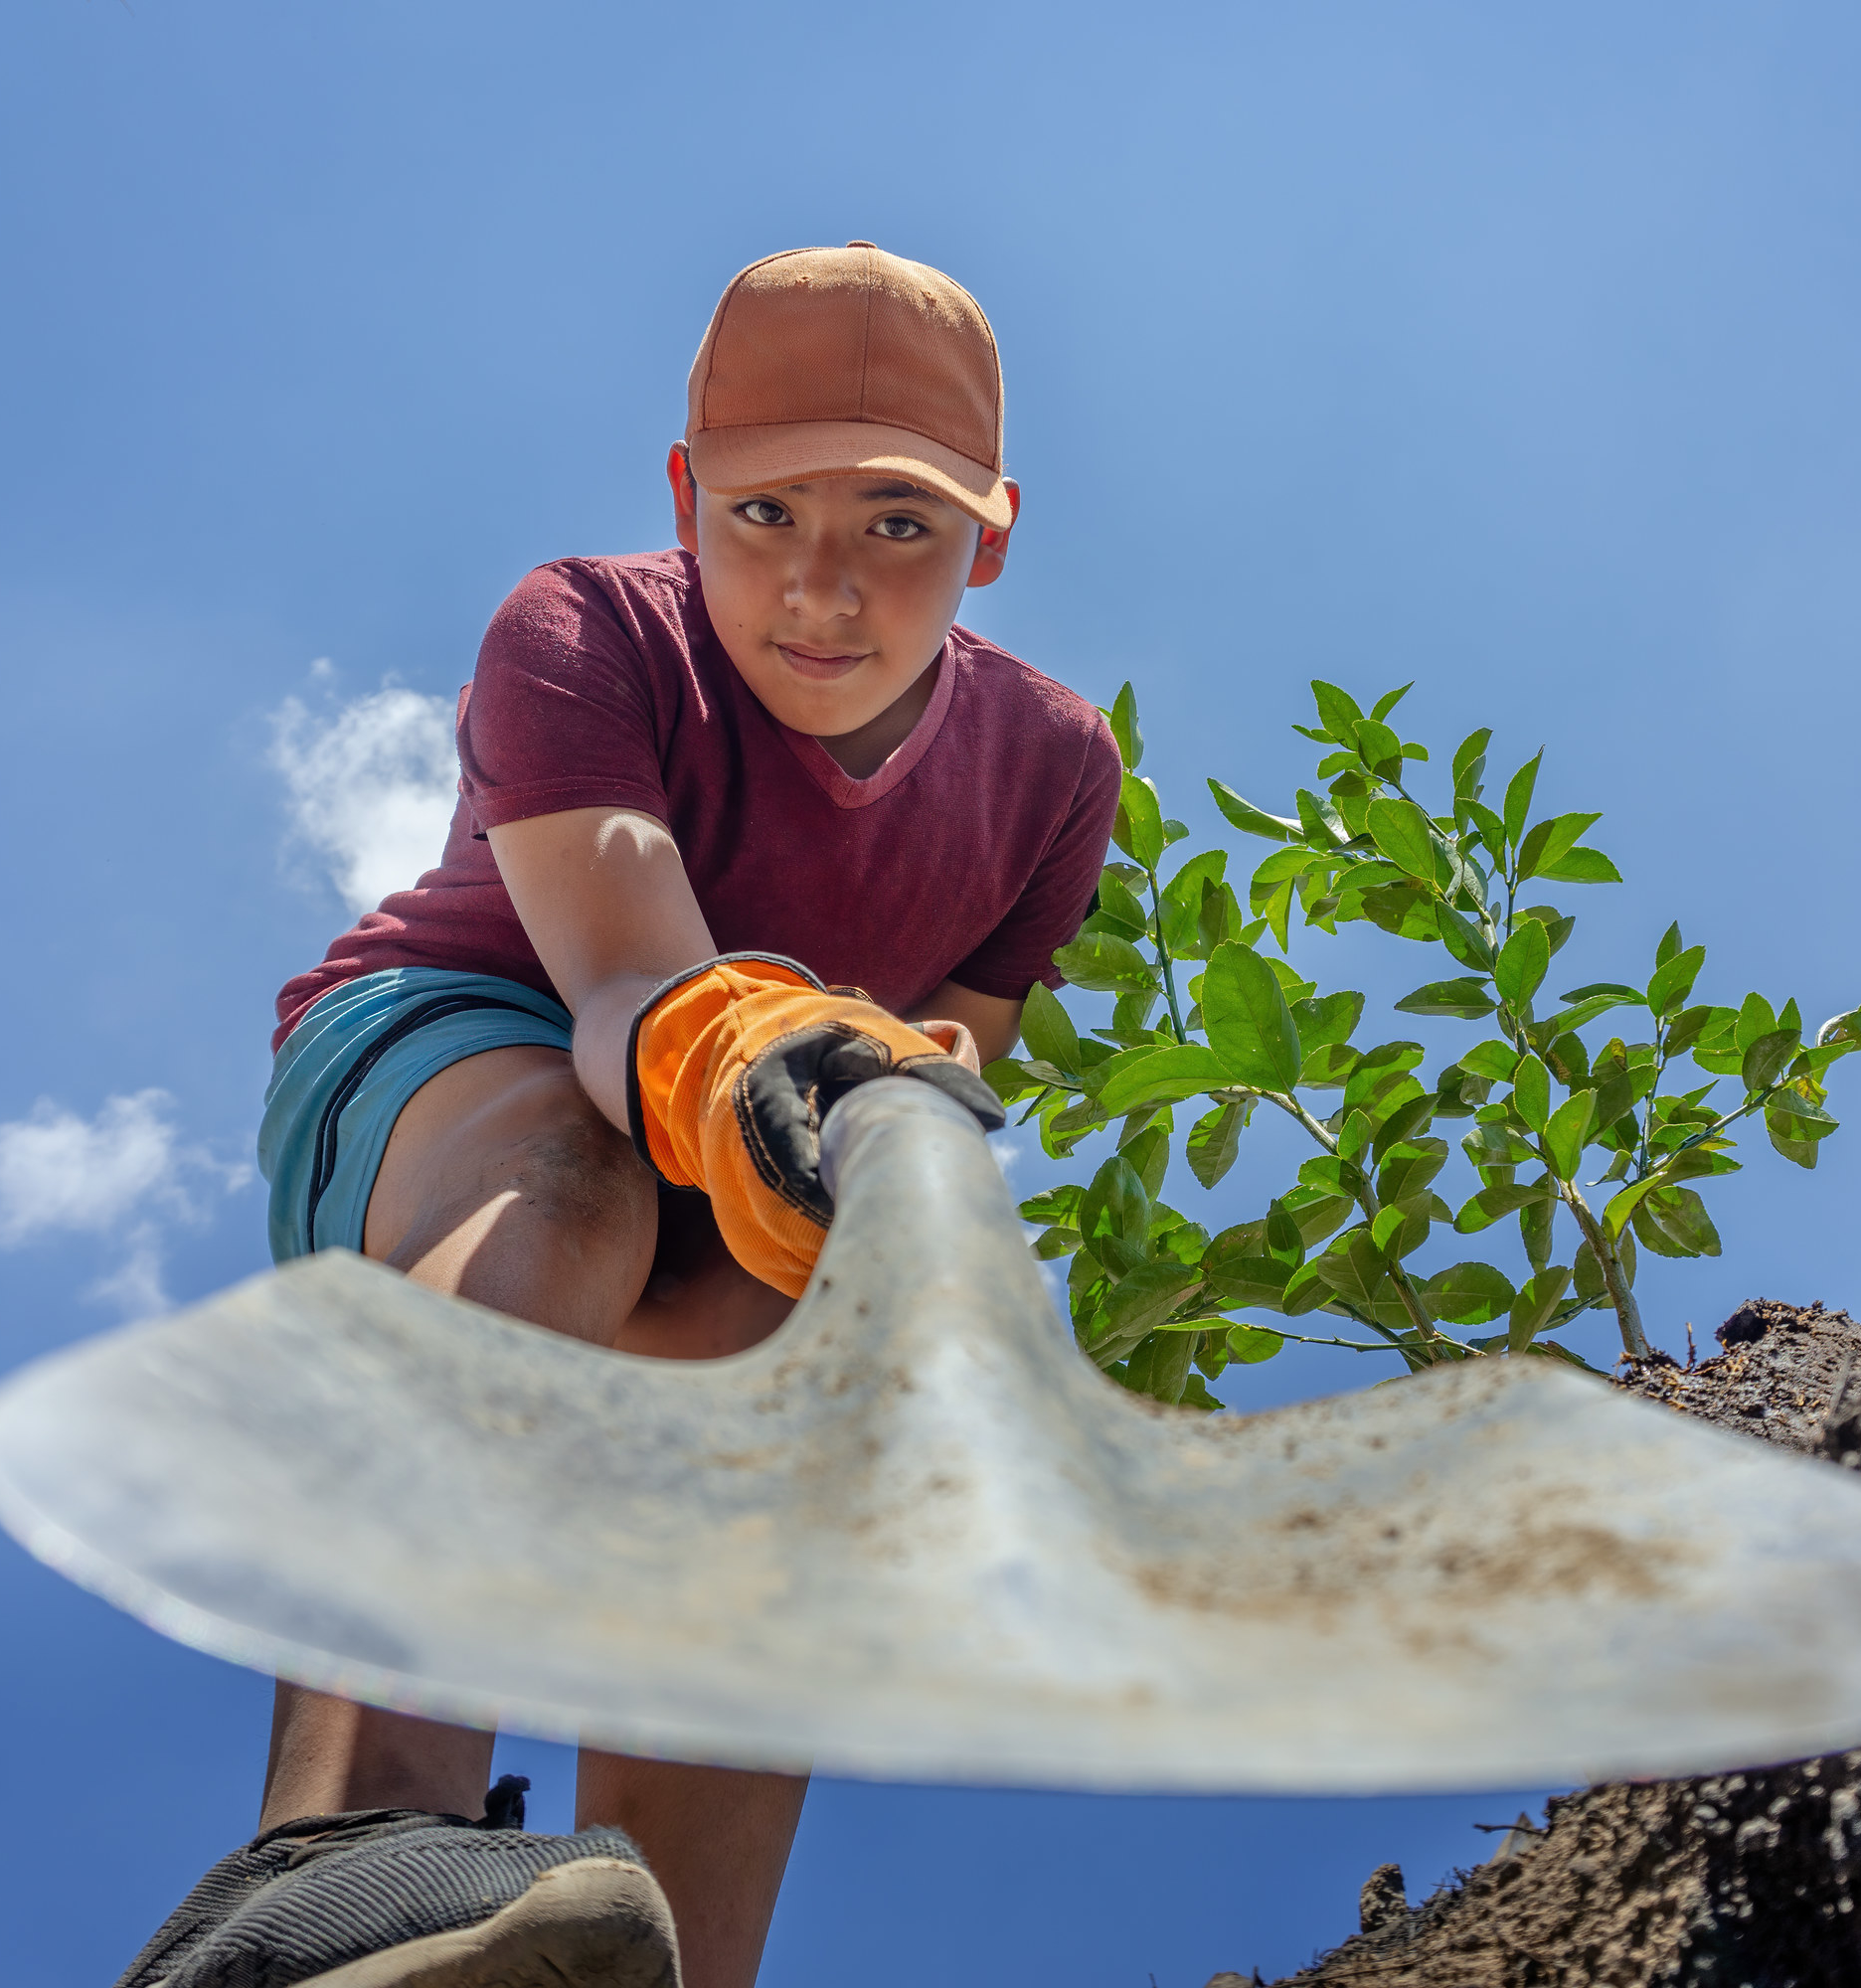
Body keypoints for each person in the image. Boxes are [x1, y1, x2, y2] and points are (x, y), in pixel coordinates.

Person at [114, 243, 1121, 1988]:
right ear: (685, 493)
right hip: (474, 1044)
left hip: (750, 1122)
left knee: (793, 1371)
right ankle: (336, 1876)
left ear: (994, 533)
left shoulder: (1051, 772)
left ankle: (638, 1961)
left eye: (899, 525)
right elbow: (623, 981)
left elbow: (947, 1055)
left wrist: (895, 1174)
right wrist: (774, 1065)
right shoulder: (584, 628)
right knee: (570, 1187)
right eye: (763, 515)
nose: (823, 588)